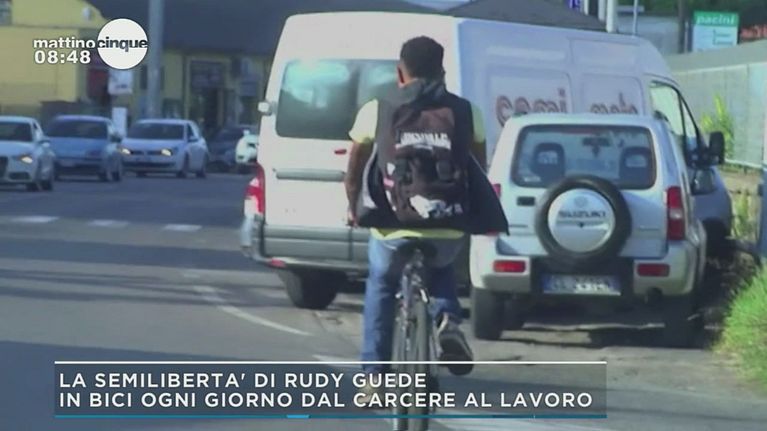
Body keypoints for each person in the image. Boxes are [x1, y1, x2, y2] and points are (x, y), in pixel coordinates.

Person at [344, 36, 491, 397]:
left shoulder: (377, 110)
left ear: (400, 73)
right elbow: (478, 170)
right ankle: (447, 319)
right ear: (442, 72)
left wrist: (353, 206)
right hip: (446, 220)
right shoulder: (466, 112)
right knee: (441, 266)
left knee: (381, 283)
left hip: (392, 224)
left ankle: (374, 377)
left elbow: (354, 169)